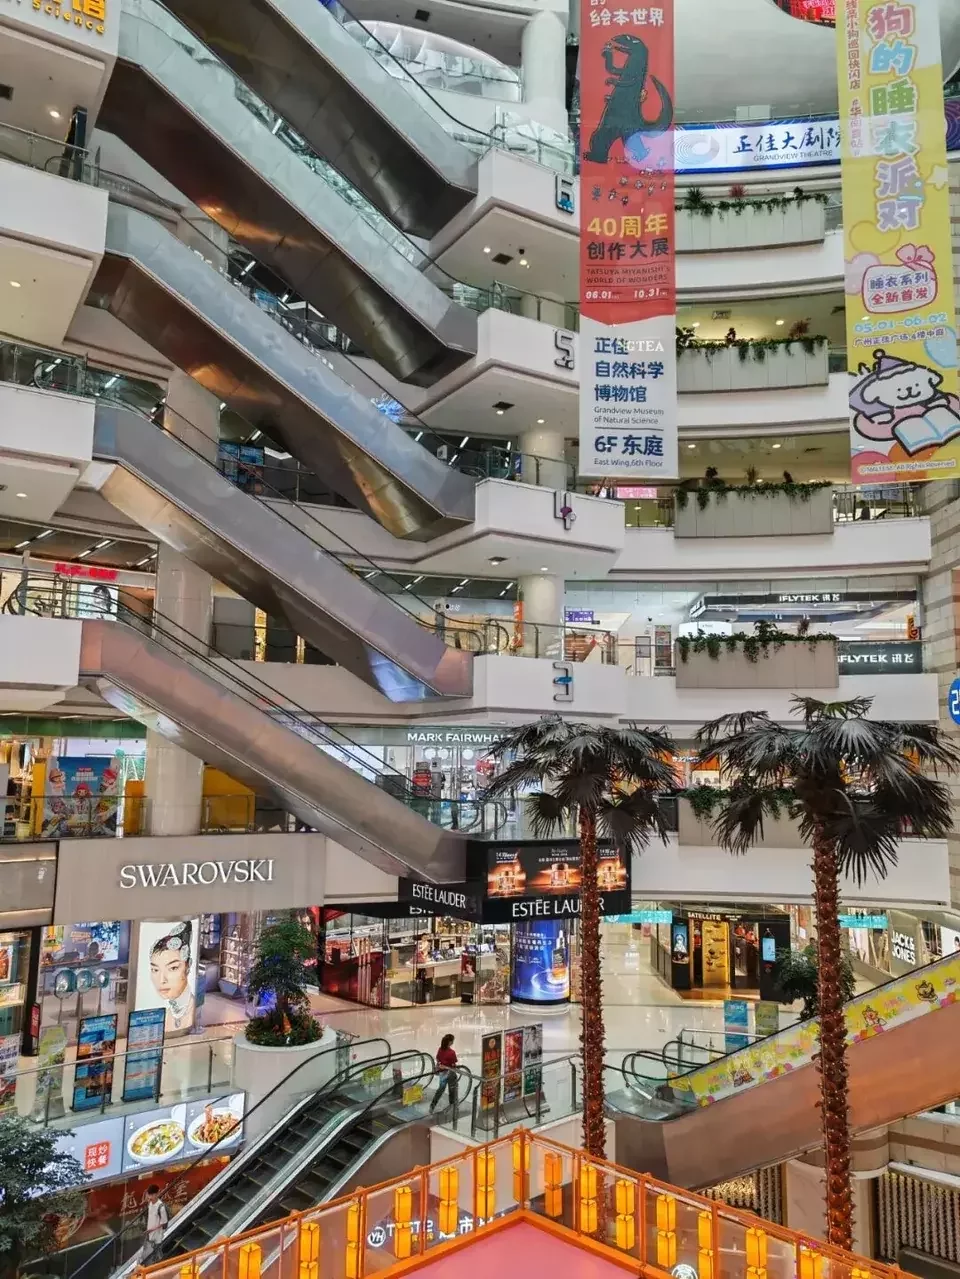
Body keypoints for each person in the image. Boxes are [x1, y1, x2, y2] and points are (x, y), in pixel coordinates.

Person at [148, 921, 196, 1033]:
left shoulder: (193, 1009)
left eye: (173, 968)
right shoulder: (168, 1015)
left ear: (188, 967)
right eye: (155, 970)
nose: (162, 980)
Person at [429, 1034, 458, 1113]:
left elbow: (438, 1059)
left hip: (442, 1073)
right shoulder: (452, 1052)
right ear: (450, 1042)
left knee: (440, 1089)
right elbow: (453, 1064)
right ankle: (452, 1104)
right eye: (452, 1041)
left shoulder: (440, 1049)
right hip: (450, 1073)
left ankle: (433, 1105)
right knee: (452, 1089)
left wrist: (440, 1065)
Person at [143, 1185, 168, 1259]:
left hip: (157, 1236)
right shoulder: (150, 1204)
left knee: (158, 1253)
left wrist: (151, 1229)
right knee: (151, 1253)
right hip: (149, 1234)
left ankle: (162, 1266)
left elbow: (163, 1222)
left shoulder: (161, 1207)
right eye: (149, 1194)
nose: (150, 1197)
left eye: (152, 1195)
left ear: (157, 1194)